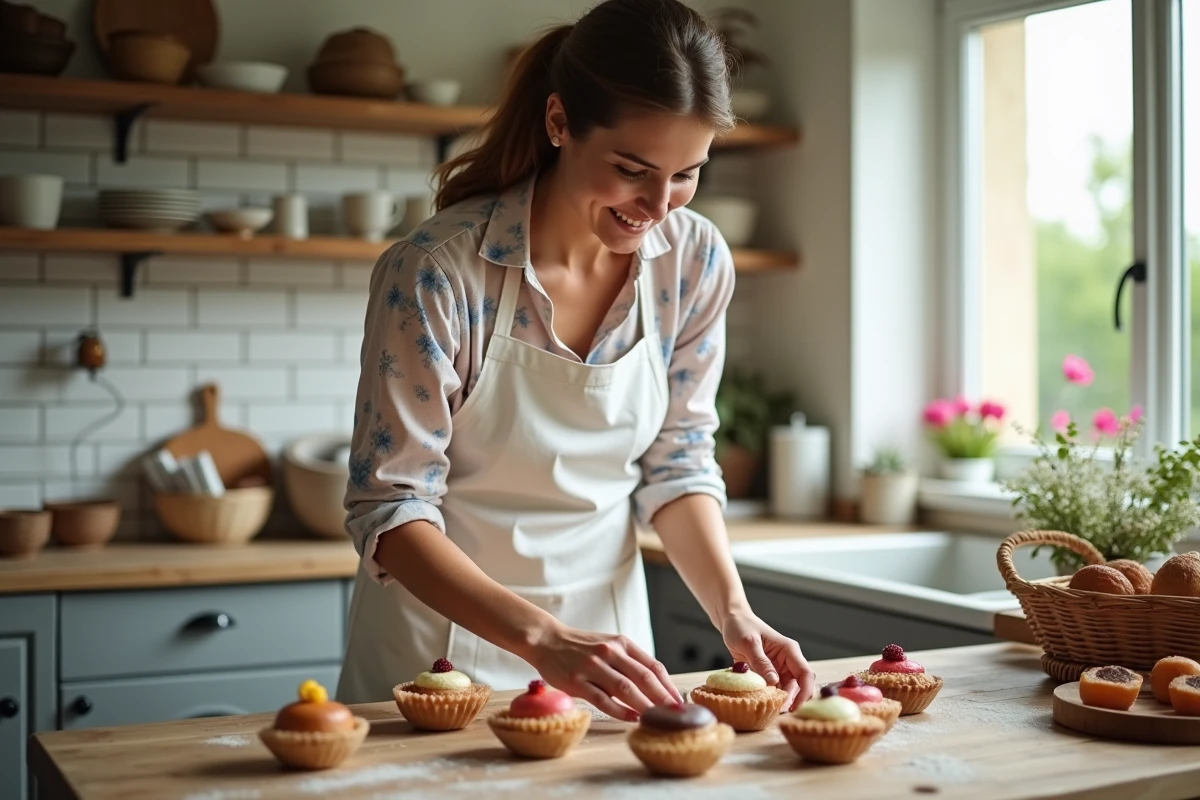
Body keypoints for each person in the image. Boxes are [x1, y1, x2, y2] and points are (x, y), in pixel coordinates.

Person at [338, 0, 815, 722]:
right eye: (632, 169)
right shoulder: (439, 272)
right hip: (437, 661)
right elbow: (392, 507)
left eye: (688, 174)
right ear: (559, 123)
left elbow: (677, 465)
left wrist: (734, 612)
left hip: (613, 661)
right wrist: (544, 640)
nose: (658, 205)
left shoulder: (693, 261)